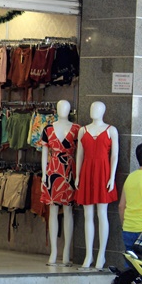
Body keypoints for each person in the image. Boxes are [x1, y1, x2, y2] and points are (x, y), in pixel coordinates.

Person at [75, 101, 119, 270]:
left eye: (98, 108)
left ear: (104, 111)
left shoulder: (111, 130)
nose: (94, 110)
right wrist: (78, 175)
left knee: (102, 214)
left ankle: (101, 254)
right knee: (88, 215)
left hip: (103, 172)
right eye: (92, 107)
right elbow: (79, 154)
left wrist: (112, 177)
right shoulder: (82, 130)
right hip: (87, 172)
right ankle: (88, 254)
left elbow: (114, 156)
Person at [41, 100, 80, 266]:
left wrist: (77, 174)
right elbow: (44, 153)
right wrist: (44, 173)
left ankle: (65, 252)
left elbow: (80, 154)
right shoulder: (48, 129)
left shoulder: (77, 129)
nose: (62, 109)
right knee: (53, 210)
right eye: (60, 107)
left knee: (68, 210)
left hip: (69, 171)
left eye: (65, 107)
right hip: (53, 170)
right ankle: (54, 252)